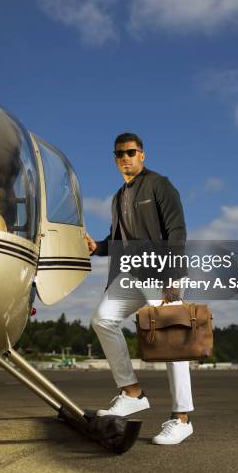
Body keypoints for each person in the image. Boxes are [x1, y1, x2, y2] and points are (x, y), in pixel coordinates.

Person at [86, 132, 194, 445]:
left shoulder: (160, 185)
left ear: (142, 155)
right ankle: (132, 392)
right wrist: (98, 247)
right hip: (132, 275)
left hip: (162, 273)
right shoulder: (118, 196)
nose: (125, 158)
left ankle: (182, 418)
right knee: (103, 319)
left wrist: (173, 276)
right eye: (119, 154)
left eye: (131, 152)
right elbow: (117, 240)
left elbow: (177, 230)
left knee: (173, 343)